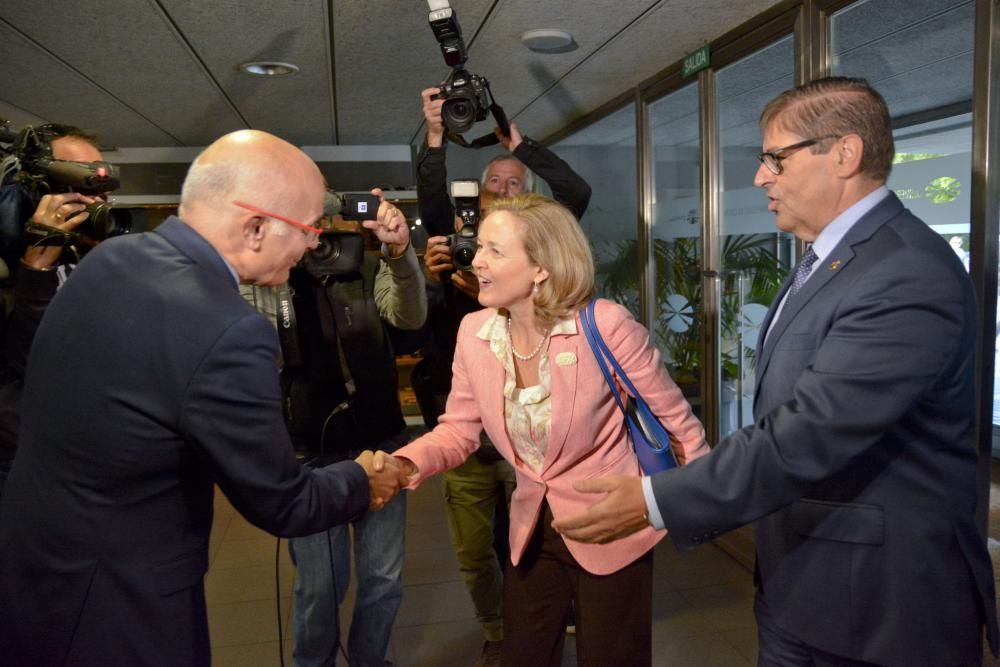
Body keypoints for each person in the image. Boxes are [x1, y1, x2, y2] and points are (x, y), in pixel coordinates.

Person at [553, 77, 1000, 666]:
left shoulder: (905, 270)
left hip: (878, 609)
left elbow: (810, 432)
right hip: (804, 589)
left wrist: (656, 499)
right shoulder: (826, 258)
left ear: (844, 153)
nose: (762, 176)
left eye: (774, 158)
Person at [0, 129, 406, 666]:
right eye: (308, 228)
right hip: (120, 603)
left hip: (39, 570)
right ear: (256, 226)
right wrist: (364, 478)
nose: (315, 244)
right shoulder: (228, 328)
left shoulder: (110, 261)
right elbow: (282, 501)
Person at [377, 193, 708, 666]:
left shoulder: (605, 325)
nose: (476, 260)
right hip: (532, 527)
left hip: (611, 524)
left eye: (495, 250)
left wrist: (689, 509)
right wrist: (404, 462)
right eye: (478, 246)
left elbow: (680, 425)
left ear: (541, 268)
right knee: (524, 655)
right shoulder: (475, 333)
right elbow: (457, 431)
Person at [413, 87, 592, 666]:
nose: (505, 188)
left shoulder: (543, 247)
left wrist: (521, 145)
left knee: (531, 543)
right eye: (496, 180)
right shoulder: (456, 244)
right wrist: (436, 135)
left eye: (516, 182)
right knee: (475, 549)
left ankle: (535, 625)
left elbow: (576, 193)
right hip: (467, 428)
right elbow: (431, 197)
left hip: (532, 425)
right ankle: (500, 630)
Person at [244, 191, 426, 667]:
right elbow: (262, 347)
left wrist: (398, 252)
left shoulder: (361, 267)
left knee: (383, 579)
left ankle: (371, 660)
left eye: (323, 219)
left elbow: (409, 316)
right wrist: (273, 269)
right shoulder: (273, 277)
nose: (317, 236)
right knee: (321, 585)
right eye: (304, 223)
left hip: (381, 444)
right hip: (311, 456)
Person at [0, 124, 107, 499]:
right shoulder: (11, 266)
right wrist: (36, 270)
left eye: (96, 181)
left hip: (87, 452)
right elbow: (33, 365)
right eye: (75, 178)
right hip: (24, 464)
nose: (93, 195)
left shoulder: (84, 252)